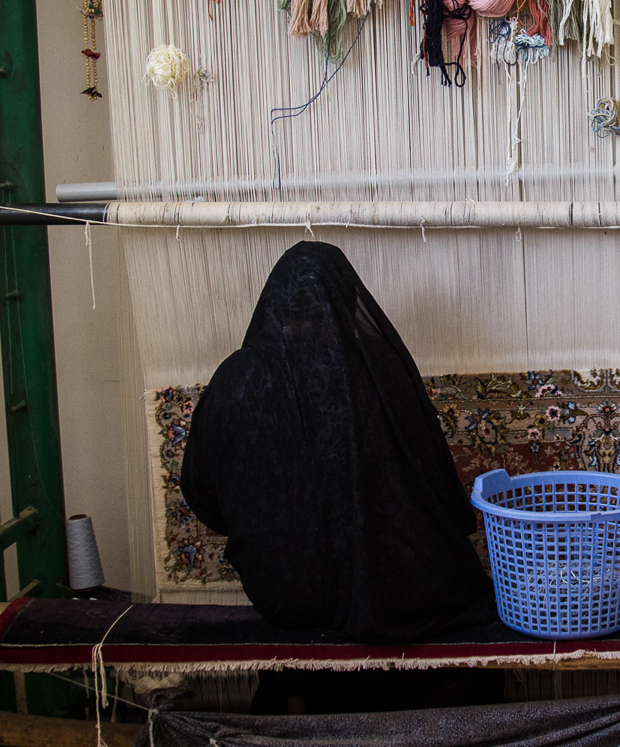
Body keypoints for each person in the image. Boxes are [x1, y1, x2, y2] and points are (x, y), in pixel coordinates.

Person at [180, 241, 496, 643]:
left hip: (287, 596)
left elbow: (201, 493)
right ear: (349, 300)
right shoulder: (382, 369)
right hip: (407, 591)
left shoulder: (236, 379)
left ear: (274, 304)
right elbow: (433, 481)